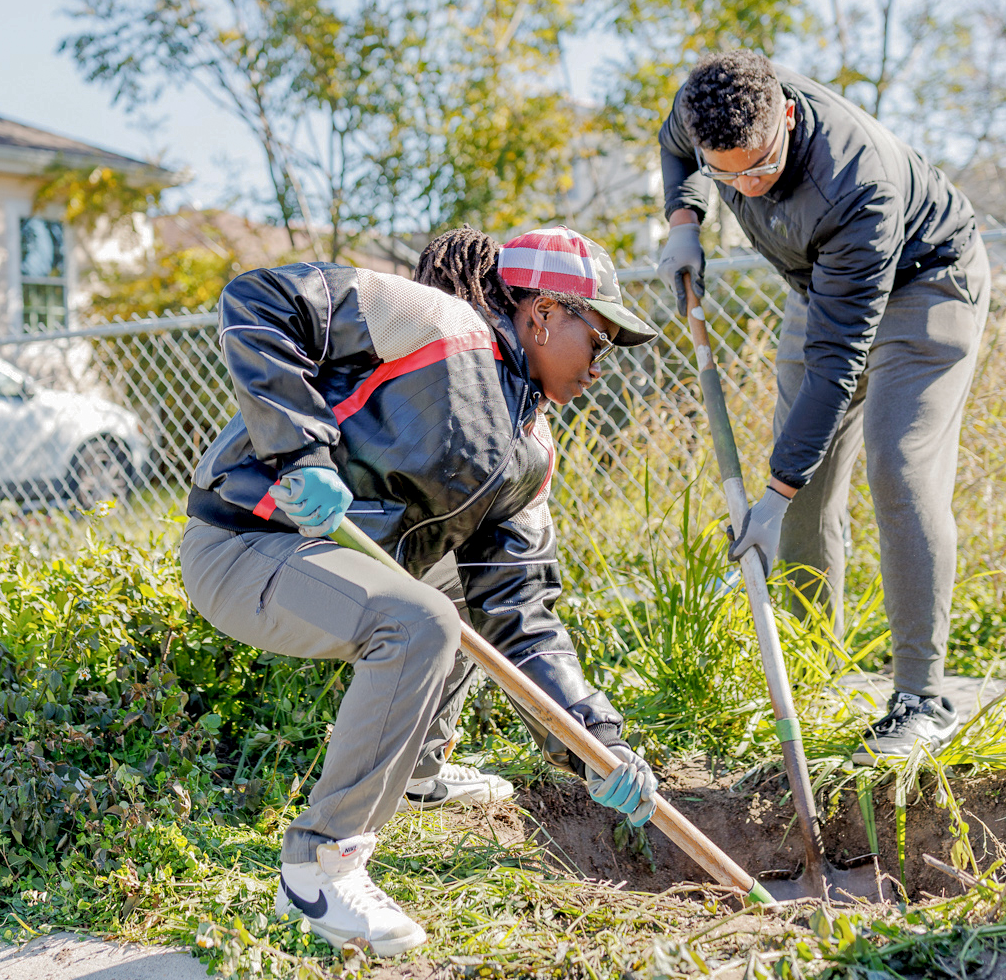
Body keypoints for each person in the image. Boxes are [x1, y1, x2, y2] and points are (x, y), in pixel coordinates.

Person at [181, 225, 659, 955]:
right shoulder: (438, 325)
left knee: (456, 600)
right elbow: (262, 297)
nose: (601, 367)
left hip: (339, 567)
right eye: (598, 340)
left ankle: (422, 772)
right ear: (543, 315)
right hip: (248, 541)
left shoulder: (530, 452)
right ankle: (319, 868)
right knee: (421, 621)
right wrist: (301, 452)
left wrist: (596, 744)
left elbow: (522, 616)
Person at [655, 49, 989, 764]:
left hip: (925, 282)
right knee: (802, 493)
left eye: (759, 165)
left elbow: (836, 364)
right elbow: (675, 144)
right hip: (821, 288)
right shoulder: (709, 109)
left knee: (897, 465)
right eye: (728, 172)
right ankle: (811, 677)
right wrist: (686, 218)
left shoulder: (854, 182)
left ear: (788, 115)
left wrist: (770, 494)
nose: (747, 184)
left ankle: (922, 700)